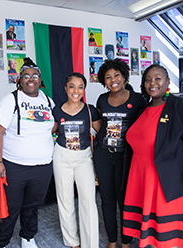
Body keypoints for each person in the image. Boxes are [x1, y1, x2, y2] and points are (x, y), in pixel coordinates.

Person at [123, 64, 183, 248]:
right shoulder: (143, 111)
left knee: (172, 241)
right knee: (155, 239)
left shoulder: (182, 108)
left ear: (168, 82)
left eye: (157, 78)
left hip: (169, 186)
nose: (152, 83)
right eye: (148, 79)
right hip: (143, 183)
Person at [0, 57, 55, 248]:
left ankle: (27, 237)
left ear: (40, 80)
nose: (31, 79)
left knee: (32, 206)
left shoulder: (47, 100)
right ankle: (0, 242)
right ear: (19, 80)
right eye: (26, 76)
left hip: (43, 167)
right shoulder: (10, 99)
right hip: (14, 166)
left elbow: (52, 126)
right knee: (8, 208)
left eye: (35, 75)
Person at [94, 58, 147, 248]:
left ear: (124, 76)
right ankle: (112, 240)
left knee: (125, 201)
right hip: (103, 155)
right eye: (108, 77)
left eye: (116, 75)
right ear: (103, 81)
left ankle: (126, 241)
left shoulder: (138, 99)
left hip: (126, 157)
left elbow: (144, 128)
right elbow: (100, 126)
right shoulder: (101, 99)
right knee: (107, 200)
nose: (113, 80)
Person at [52, 72, 100, 248]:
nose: (76, 90)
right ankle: (72, 241)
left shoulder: (90, 110)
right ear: (66, 88)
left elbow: (101, 132)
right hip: (62, 155)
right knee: (65, 201)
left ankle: (90, 244)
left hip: (83, 158)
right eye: (72, 86)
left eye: (80, 87)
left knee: (88, 202)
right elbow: (50, 130)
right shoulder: (56, 110)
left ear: (84, 89)